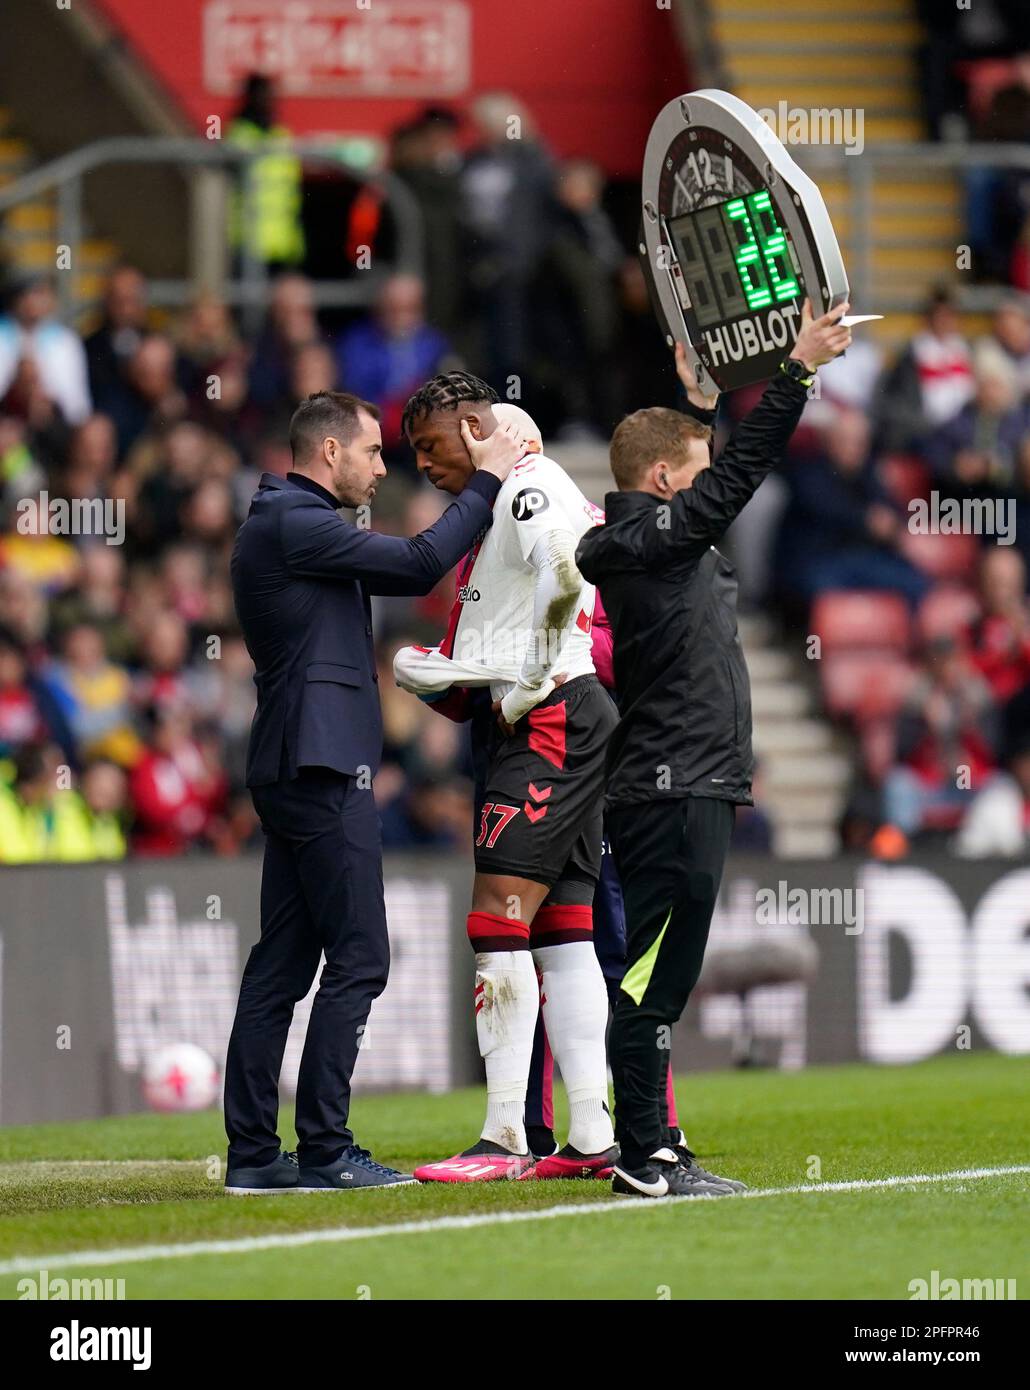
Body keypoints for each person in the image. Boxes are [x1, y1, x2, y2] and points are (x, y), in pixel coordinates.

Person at [575, 301, 852, 1199]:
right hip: (666, 786)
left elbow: (712, 475)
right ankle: (644, 1158)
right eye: (689, 474)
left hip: (689, 781)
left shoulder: (656, 534)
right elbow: (731, 482)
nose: (704, 490)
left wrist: (703, 405)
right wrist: (796, 374)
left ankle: (657, 1144)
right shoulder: (634, 543)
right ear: (662, 481)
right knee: (651, 982)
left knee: (661, 979)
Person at [223, 388, 526, 1194]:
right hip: (319, 766)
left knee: (282, 965)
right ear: (329, 453)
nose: (381, 466)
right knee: (360, 956)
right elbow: (421, 563)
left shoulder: (287, 523)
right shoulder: (295, 521)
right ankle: (325, 1148)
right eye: (370, 452)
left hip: (297, 761)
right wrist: (487, 481)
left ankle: (255, 1154)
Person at [393, 372, 617, 1182]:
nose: (424, 464)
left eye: (432, 444)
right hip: (560, 709)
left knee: (496, 917)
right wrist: (451, 672)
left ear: (479, 427)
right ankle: (591, 1136)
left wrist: (531, 671)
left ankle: (502, 1138)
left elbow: (567, 573)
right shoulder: (510, 501)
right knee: (564, 927)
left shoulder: (525, 488)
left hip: (550, 715)